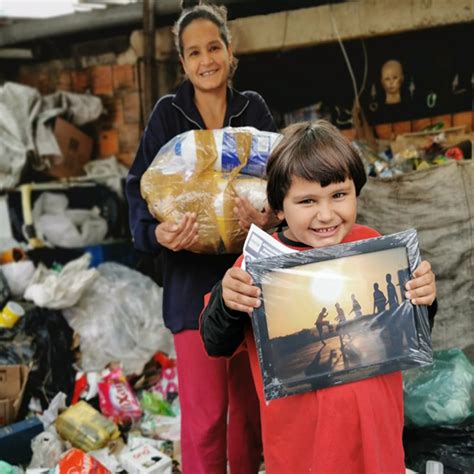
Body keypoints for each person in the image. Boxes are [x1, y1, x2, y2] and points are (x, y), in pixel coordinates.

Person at [200, 120, 437, 472]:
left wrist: (425, 298)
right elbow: (215, 341)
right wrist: (227, 299)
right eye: (307, 200)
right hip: (304, 455)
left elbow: (411, 331)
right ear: (279, 207)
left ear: (356, 192)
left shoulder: (374, 247)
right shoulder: (258, 266)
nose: (326, 214)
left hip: (376, 447)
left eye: (339, 195)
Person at [125, 2, 278, 473]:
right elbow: (138, 189)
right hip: (192, 289)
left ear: (230, 52)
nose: (206, 60)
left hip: (249, 283)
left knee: (249, 419)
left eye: (214, 47)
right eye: (194, 53)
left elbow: (284, 182)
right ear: (184, 62)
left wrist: (267, 216)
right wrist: (159, 235)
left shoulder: (254, 109)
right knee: (208, 420)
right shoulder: (168, 115)